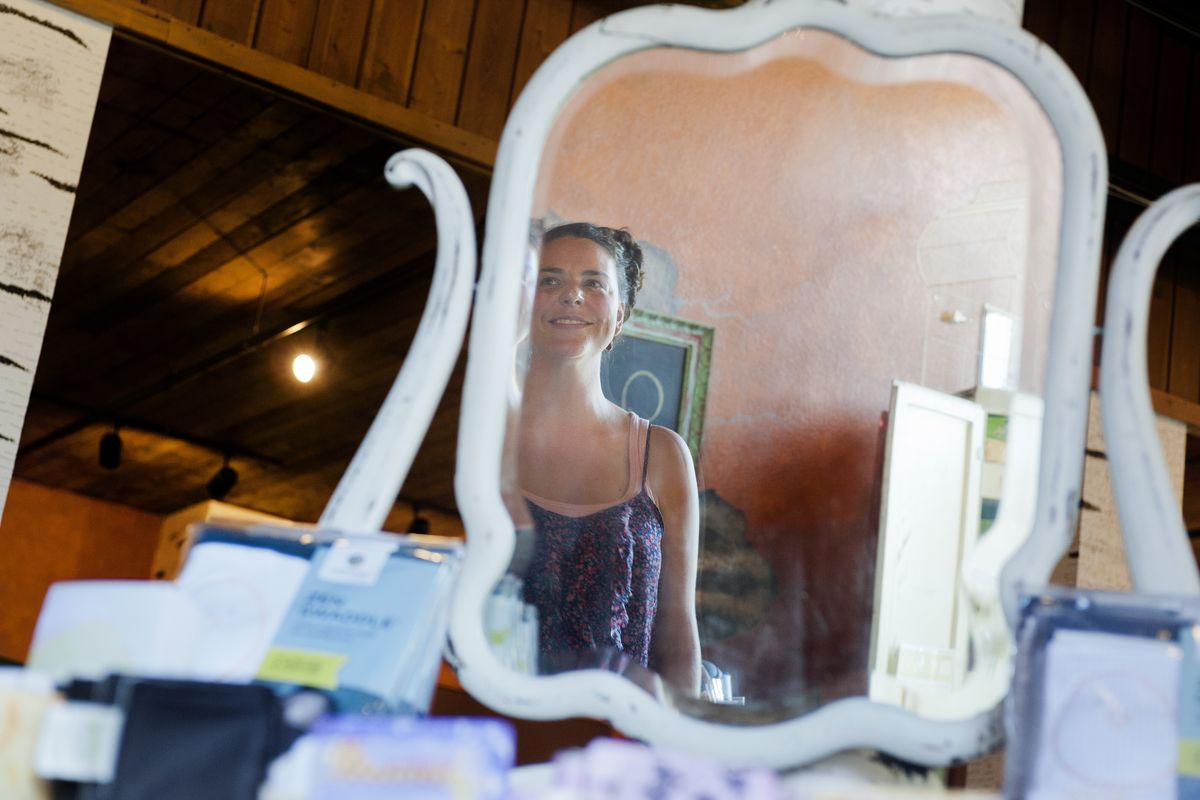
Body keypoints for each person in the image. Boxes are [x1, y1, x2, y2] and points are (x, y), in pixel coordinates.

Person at [516, 221, 702, 696]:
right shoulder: (485, 435)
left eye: (593, 284)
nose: (571, 296)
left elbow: (677, 635)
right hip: (484, 724)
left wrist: (677, 743)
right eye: (549, 280)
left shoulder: (661, 455)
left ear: (618, 316)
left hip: (614, 746)